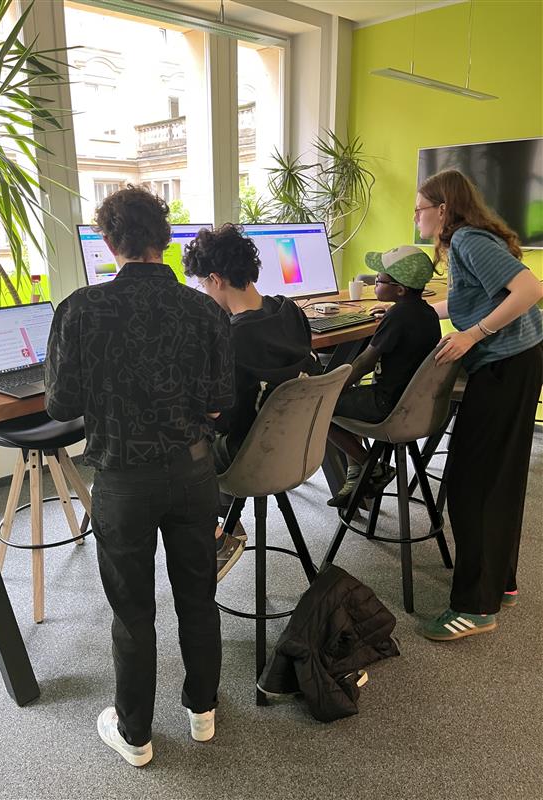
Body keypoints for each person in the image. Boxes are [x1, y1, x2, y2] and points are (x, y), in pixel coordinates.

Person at [45, 186, 235, 766]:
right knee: (198, 595)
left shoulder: (79, 309)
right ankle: (202, 711)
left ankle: (135, 735)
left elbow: (60, 405)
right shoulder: (206, 310)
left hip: (123, 481)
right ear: (165, 240)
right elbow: (220, 403)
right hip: (193, 473)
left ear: (109, 243)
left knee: (132, 611)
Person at [413, 169, 543, 641]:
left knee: (473, 484)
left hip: (506, 366)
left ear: (443, 209)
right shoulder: (467, 241)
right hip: (519, 362)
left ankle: (475, 607)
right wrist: (420, 311)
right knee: (499, 478)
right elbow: (471, 298)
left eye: (420, 209)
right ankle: (500, 583)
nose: (416, 217)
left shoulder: (467, 239)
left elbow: (530, 290)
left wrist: (472, 335)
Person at [182, 223, 322, 579]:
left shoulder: (231, 339)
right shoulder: (291, 311)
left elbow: (221, 418)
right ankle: (226, 515)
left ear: (216, 280)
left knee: (180, 445)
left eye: (203, 285)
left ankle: (216, 532)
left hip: (249, 457)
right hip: (298, 448)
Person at [327, 246, 441, 507]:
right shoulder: (427, 313)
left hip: (386, 404)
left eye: (379, 280)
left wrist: (332, 387)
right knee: (345, 398)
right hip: (411, 403)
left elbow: (365, 362)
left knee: (321, 408)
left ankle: (371, 467)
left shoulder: (398, 316)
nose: (374, 283)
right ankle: (358, 475)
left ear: (399, 290)